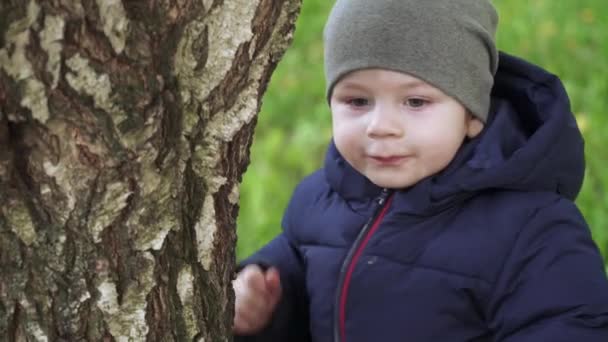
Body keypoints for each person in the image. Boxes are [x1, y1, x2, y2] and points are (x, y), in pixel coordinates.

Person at [233, 0, 608, 341]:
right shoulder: (318, 198)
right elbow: (297, 276)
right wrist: (265, 306)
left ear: (471, 114)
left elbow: (567, 324)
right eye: (357, 100)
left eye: (415, 101)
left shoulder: (533, 230)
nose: (380, 125)